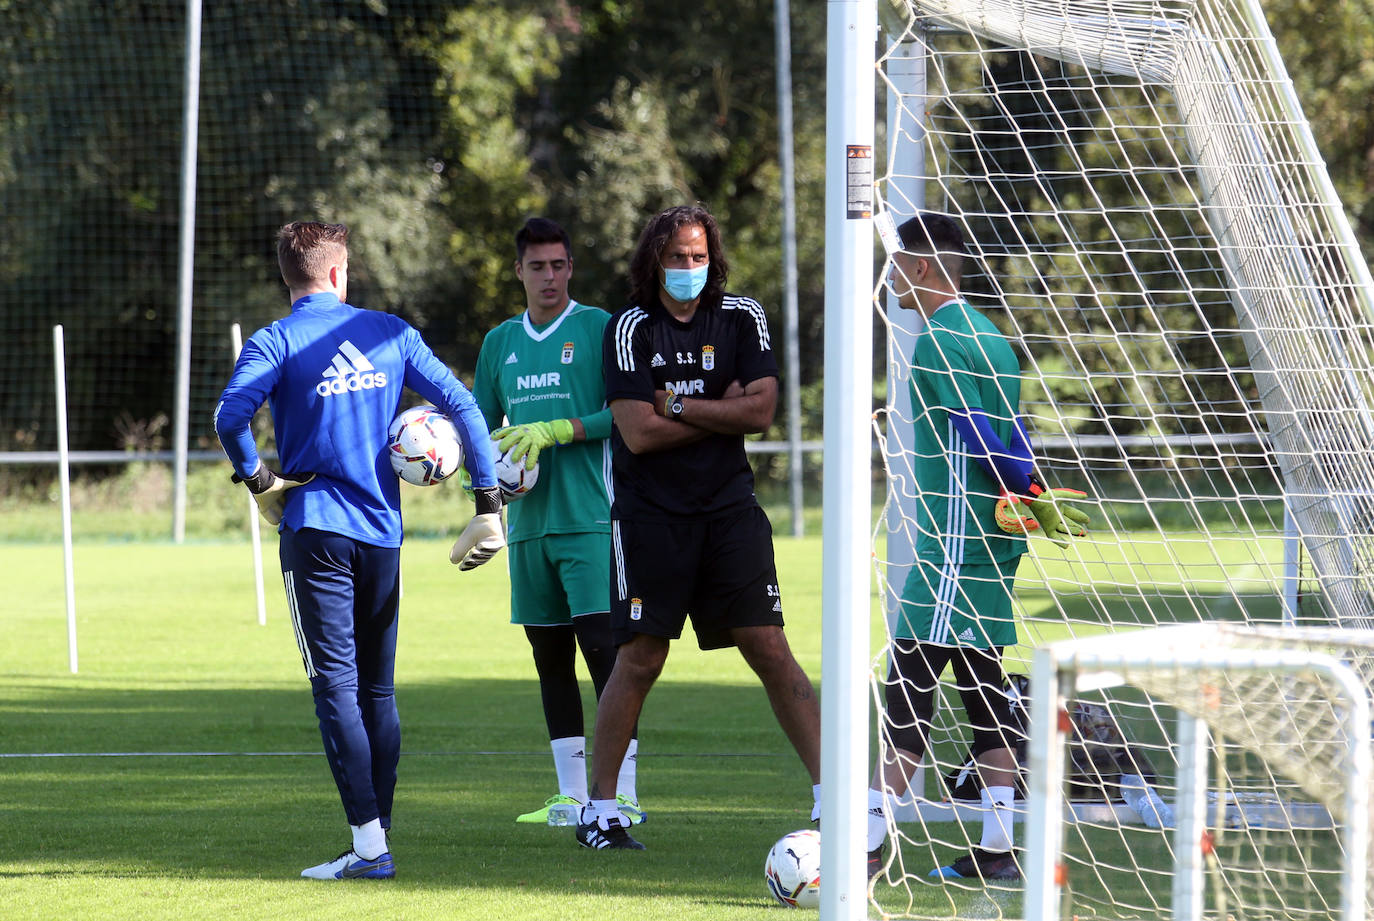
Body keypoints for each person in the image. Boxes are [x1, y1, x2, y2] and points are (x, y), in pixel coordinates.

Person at [214, 221, 505, 880]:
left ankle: (371, 848)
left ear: (288, 277)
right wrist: (488, 503)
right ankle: (377, 836)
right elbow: (462, 404)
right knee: (377, 687)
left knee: (335, 687)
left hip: (316, 529)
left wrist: (259, 479)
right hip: (381, 534)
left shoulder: (278, 338)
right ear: (341, 272)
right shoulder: (392, 333)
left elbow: (231, 414)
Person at [574, 204, 822, 850]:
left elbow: (762, 409)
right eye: (677, 256)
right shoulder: (628, 329)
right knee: (640, 657)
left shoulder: (742, 317)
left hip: (729, 509)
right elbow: (636, 430)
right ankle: (599, 811)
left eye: (698, 255)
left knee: (768, 645)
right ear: (654, 259)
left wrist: (680, 402)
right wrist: (723, 409)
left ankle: (832, 798)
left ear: (712, 257)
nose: (689, 267)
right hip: (650, 515)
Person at [865, 212, 1090, 882]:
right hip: (993, 546)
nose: (891, 275)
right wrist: (1034, 493)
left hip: (952, 549)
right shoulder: (993, 338)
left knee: (906, 692)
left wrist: (1028, 486)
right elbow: (1015, 432)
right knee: (986, 696)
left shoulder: (938, 340)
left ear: (923, 267)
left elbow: (980, 438)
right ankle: (996, 848)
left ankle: (866, 843)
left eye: (897, 261)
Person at [471, 217, 643, 827]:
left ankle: (622, 793)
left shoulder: (599, 328)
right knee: (550, 663)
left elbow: (625, 415)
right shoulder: (499, 344)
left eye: (559, 265)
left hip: (593, 520)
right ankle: (570, 795)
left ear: (571, 268)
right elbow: (482, 432)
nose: (550, 276)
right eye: (538, 266)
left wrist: (554, 430)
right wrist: (482, 501)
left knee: (606, 658)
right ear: (518, 270)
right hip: (528, 530)